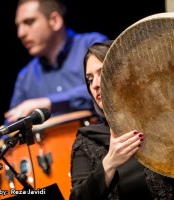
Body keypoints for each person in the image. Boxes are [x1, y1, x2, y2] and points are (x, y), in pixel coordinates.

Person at [69, 41, 174, 200]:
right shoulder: (88, 141)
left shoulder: (164, 118)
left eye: (102, 72)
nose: (95, 84)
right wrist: (110, 163)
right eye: (89, 80)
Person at [4, 0, 108, 124]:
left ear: (55, 21)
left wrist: (49, 102)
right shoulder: (25, 77)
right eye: (18, 26)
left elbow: (110, 88)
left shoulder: (91, 45)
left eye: (29, 22)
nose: (21, 33)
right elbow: (11, 124)